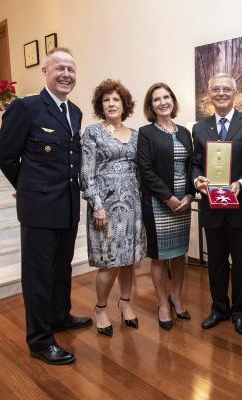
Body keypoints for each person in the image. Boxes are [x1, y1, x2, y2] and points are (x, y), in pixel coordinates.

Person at [0, 47, 92, 365]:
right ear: (45, 72)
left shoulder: (75, 112)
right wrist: (27, 188)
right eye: (60, 68)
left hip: (67, 206)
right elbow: (5, 156)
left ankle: (59, 315)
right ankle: (39, 339)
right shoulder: (25, 108)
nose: (66, 74)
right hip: (39, 207)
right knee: (37, 275)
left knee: (62, 268)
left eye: (71, 69)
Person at [80, 79, 146, 337]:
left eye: (116, 99)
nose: (111, 104)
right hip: (105, 206)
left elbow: (140, 172)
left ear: (124, 104)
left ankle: (126, 302)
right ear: (100, 105)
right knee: (109, 263)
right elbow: (87, 173)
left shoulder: (136, 135)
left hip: (132, 205)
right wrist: (97, 205)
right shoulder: (93, 133)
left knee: (129, 259)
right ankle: (100, 308)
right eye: (106, 100)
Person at [192, 73, 242, 335]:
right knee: (216, 262)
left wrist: (239, 184)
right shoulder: (199, 128)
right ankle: (219, 308)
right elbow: (195, 162)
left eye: (226, 89)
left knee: (241, 263)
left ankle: (240, 312)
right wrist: (197, 181)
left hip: (241, 205)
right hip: (212, 206)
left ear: (235, 93)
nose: (221, 93)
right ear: (209, 94)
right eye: (216, 89)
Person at [137, 82, 194, 331]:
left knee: (180, 254)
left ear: (173, 100)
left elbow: (193, 166)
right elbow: (145, 171)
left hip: (183, 203)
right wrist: (167, 198)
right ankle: (162, 303)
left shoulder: (184, 132)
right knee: (160, 257)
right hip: (159, 203)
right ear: (151, 106)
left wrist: (190, 195)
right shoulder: (146, 133)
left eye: (166, 97)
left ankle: (177, 297)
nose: (163, 102)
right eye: (157, 99)